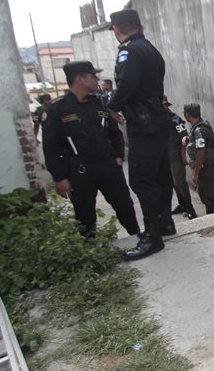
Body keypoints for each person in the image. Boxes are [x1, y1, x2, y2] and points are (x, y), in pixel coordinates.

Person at [41, 61, 140, 238]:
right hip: (80, 169)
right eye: (93, 76)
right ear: (80, 79)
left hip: (107, 165)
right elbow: (51, 147)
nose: (97, 80)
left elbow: (114, 133)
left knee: (124, 204)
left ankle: (137, 236)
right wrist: (59, 177)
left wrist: (118, 156)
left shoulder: (99, 103)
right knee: (84, 212)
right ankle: (91, 246)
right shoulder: (58, 109)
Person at [106, 8, 175, 260]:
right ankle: (165, 223)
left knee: (141, 179)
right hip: (155, 120)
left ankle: (152, 236)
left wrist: (110, 108)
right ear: (140, 26)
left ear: (117, 29)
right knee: (160, 174)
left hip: (143, 123)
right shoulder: (149, 49)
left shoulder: (129, 51)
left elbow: (126, 85)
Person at [184, 103, 214, 214]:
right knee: (207, 196)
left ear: (187, 115)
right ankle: (213, 215)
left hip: (205, 168)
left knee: (212, 196)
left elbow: (201, 153)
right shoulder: (201, 126)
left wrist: (195, 173)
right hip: (207, 166)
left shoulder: (199, 130)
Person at [164, 99, 198, 220]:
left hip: (175, 156)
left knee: (180, 182)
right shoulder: (158, 119)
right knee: (173, 182)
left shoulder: (175, 120)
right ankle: (182, 204)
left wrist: (183, 156)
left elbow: (184, 138)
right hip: (165, 156)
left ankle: (190, 208)